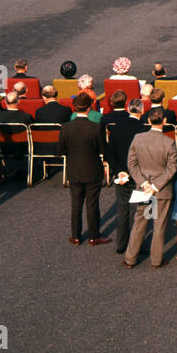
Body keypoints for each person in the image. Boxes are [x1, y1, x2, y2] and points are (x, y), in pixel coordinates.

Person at [123, 108, 177, 269]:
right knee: (159, 224)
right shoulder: (169, 142)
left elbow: (131, 164)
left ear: (148, 121)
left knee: (140, 222)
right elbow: (171, 168)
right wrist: (155, 186)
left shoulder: (138, 138)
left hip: (143, 189)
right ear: (164, 122)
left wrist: (143, 183)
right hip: (161, 190)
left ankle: (130, 258)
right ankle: (156, 260)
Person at [61, 93, 109, 246]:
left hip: (74, 169)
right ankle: (94, 236)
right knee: (92, 205)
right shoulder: (95, 128)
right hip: (93, 169)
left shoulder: (66, 127)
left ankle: (75, 236)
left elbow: (61, 150)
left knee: (76, 204)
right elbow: (103, 150)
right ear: (89, 108)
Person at [101, 96, 145, 254]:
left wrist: (118, 170)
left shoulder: (117, 128)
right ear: (142, 111)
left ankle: (122, 244)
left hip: (122, 174)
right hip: (140, 176)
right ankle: (139, 243)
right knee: (142, 212)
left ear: (128, 109)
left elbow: (110, 153)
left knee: (123, 210)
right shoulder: (144, 130)